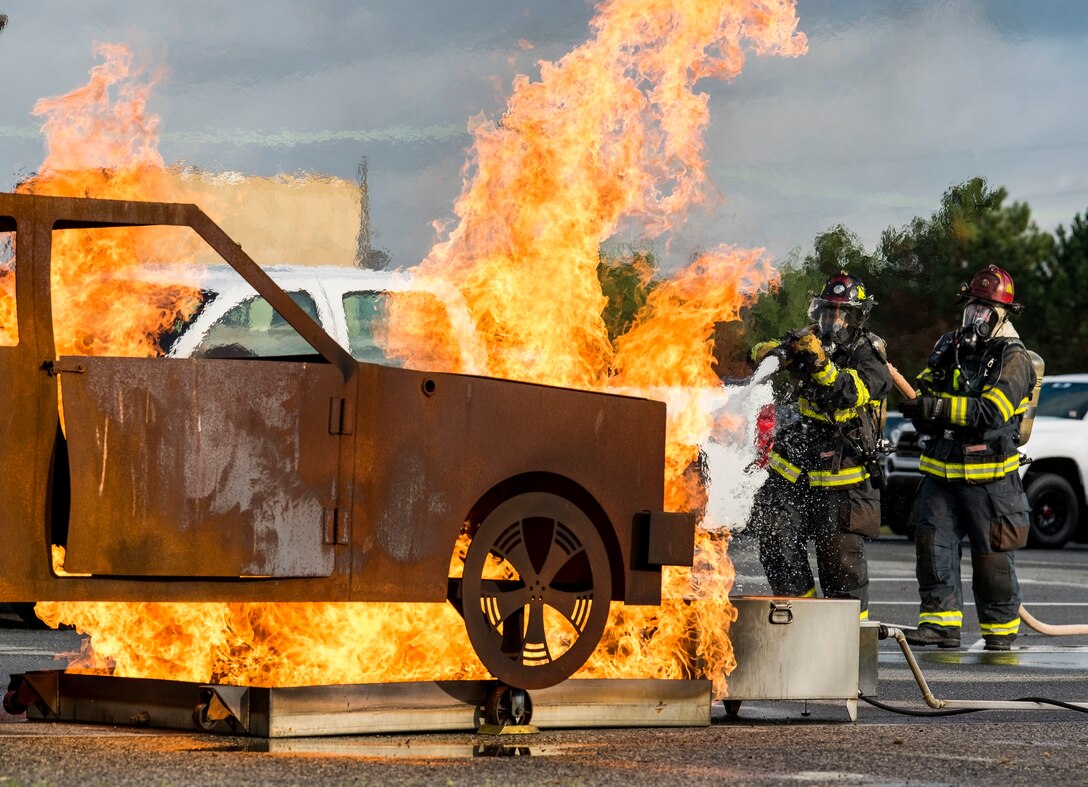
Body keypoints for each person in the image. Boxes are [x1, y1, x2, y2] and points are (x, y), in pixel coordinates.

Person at [900, 265, 1036, 652]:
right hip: (941, 472)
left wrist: (937, 409)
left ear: (1002, 315)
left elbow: (991, 412)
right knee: (933, 547)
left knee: (991, 557)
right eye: (972, 308)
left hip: (990, 477)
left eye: (985, 310)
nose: (976, 317)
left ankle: (999, 632)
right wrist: (918, 402)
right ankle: (940, 626)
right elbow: (926, 383)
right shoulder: (950, 344)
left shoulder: (1014, 357)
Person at [748, 272, 892, 619]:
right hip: (800, 453)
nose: (833, 320)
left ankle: (848, 640)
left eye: (841, 313)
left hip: (844, 465)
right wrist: (773, 352)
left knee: (839, 558)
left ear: (856, 317)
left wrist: (821, 364)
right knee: (774, 530)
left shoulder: (868, 352)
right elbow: (755, 353)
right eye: (828, 312)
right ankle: (803, 618)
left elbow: (850, 394)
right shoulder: (810, 340)